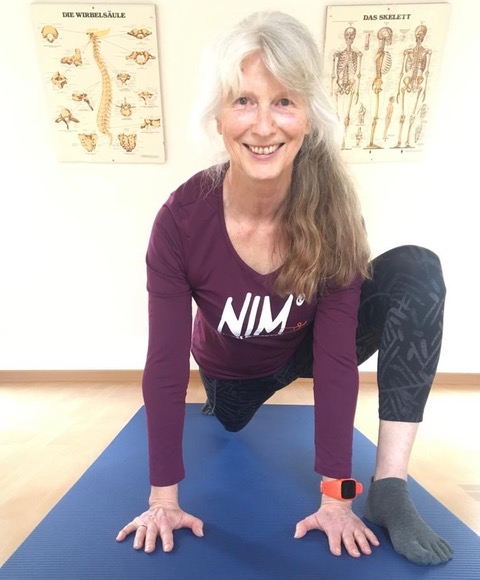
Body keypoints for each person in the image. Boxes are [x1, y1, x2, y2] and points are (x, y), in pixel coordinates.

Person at [116, 11, 452, 566]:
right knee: (229, 418)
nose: (264, 125)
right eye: (244, 101)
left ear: (308, 117)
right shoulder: (182, 219)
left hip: (306, 347)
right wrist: (162, 501)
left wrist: (337, 498)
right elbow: (166, 365)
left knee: (417, 269)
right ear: (219, 117)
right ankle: (227, 407)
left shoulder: (333, 215)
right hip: (234, 377)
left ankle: (391, 487)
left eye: (284, 102)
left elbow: (337, 359)